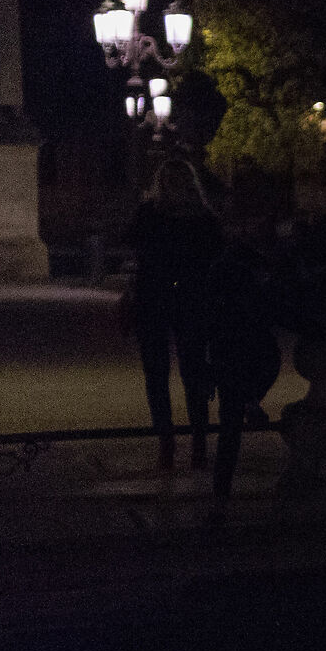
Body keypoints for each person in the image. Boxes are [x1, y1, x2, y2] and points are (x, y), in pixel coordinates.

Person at [125, 159, 223, 471]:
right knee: (192, 372)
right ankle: (199, 443)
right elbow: (215, 258)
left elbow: (134, 246)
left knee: (156, 374)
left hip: (153, 296)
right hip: (191, 298)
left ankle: (167, 442)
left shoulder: (150, 214)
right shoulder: (205, 219)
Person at [204, 234, 282, 514]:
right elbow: (270, 357)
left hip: (228, 358)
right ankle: (251, 400)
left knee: (229, 430)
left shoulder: (220, 286)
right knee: (231, 428)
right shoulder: (249, 292)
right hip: (244, 356)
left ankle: (220, 493)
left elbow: (211, 329)